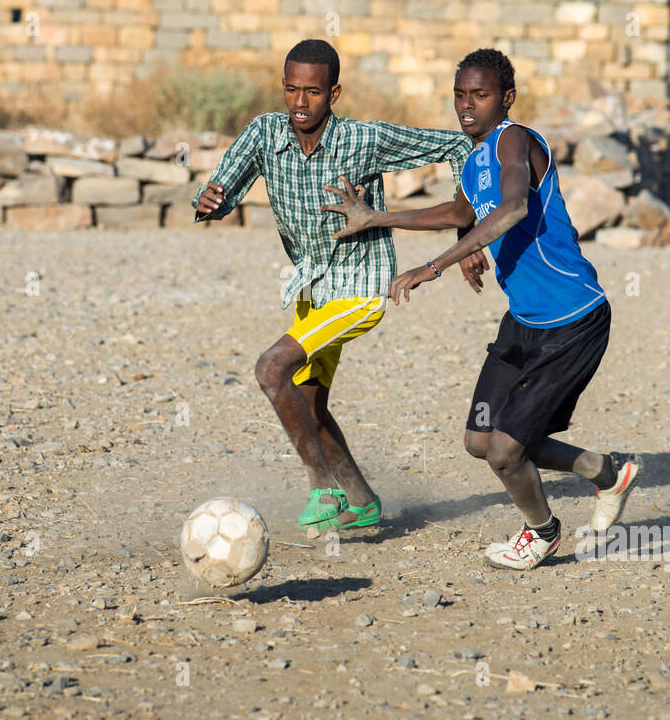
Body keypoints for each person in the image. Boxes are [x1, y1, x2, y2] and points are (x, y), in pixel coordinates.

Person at [321, 47, 643, 569]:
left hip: (573, 320)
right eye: (460, 95)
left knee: (505, 451)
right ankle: (608, 473)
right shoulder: (473, 162)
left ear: (506, 98)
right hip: (524, 321)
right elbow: (460, 211)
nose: (467, 105)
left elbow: (514, 207)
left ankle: (541, 532)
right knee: (480, 439)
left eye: (481, 94)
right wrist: (376, 217)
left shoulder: (513, 139)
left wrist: (438, 264)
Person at [192, 38, 478, 531]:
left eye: (313, 92)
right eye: (291, 90)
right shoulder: (264, 132)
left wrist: (467, 230)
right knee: (307, 404)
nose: (300, 103)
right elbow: (223, 187)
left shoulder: (364, 140)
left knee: (270, 368)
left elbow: (455, 145)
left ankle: (322, 490)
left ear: (334, 92)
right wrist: (209, 200)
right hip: (312, 289)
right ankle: (363, 502)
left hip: (360, 288)